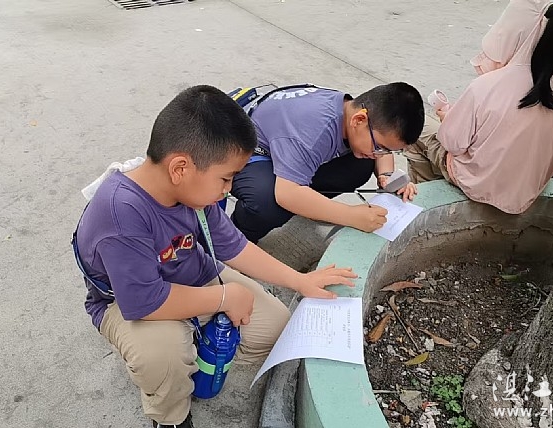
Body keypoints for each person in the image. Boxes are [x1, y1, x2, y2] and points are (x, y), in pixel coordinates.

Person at [73, 85, 357, 428]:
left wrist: (300, 281)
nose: (229, 189)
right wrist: (224, 298)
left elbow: (234, 245)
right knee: (164, 357)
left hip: (193, 275)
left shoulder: (191, 192)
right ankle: (171, 414)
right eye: (226, 178)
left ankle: (191, 350)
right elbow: (144, 302)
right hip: (126, 302)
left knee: (275, 328)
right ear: (180, 168)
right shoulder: (121, 213)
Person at [404, 0, 553, 215]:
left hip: (480, 184)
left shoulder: (487, 85)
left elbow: (453, 144)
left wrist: (447, 117)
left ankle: (427, 204)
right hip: (533, 184)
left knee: (414, 129)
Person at [229, 82, 425, 243]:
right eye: (380, 147)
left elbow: (380, 151)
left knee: (362, 163)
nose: (380, 154)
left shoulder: (350, 109)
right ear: (359, 120)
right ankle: (235, 239)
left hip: (285, 146)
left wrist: (387, 176)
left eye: (388, 150)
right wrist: (351, 216)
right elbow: (286, 194)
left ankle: (308, 205)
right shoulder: (313, 133)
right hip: (246, 148)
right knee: (267, 204)